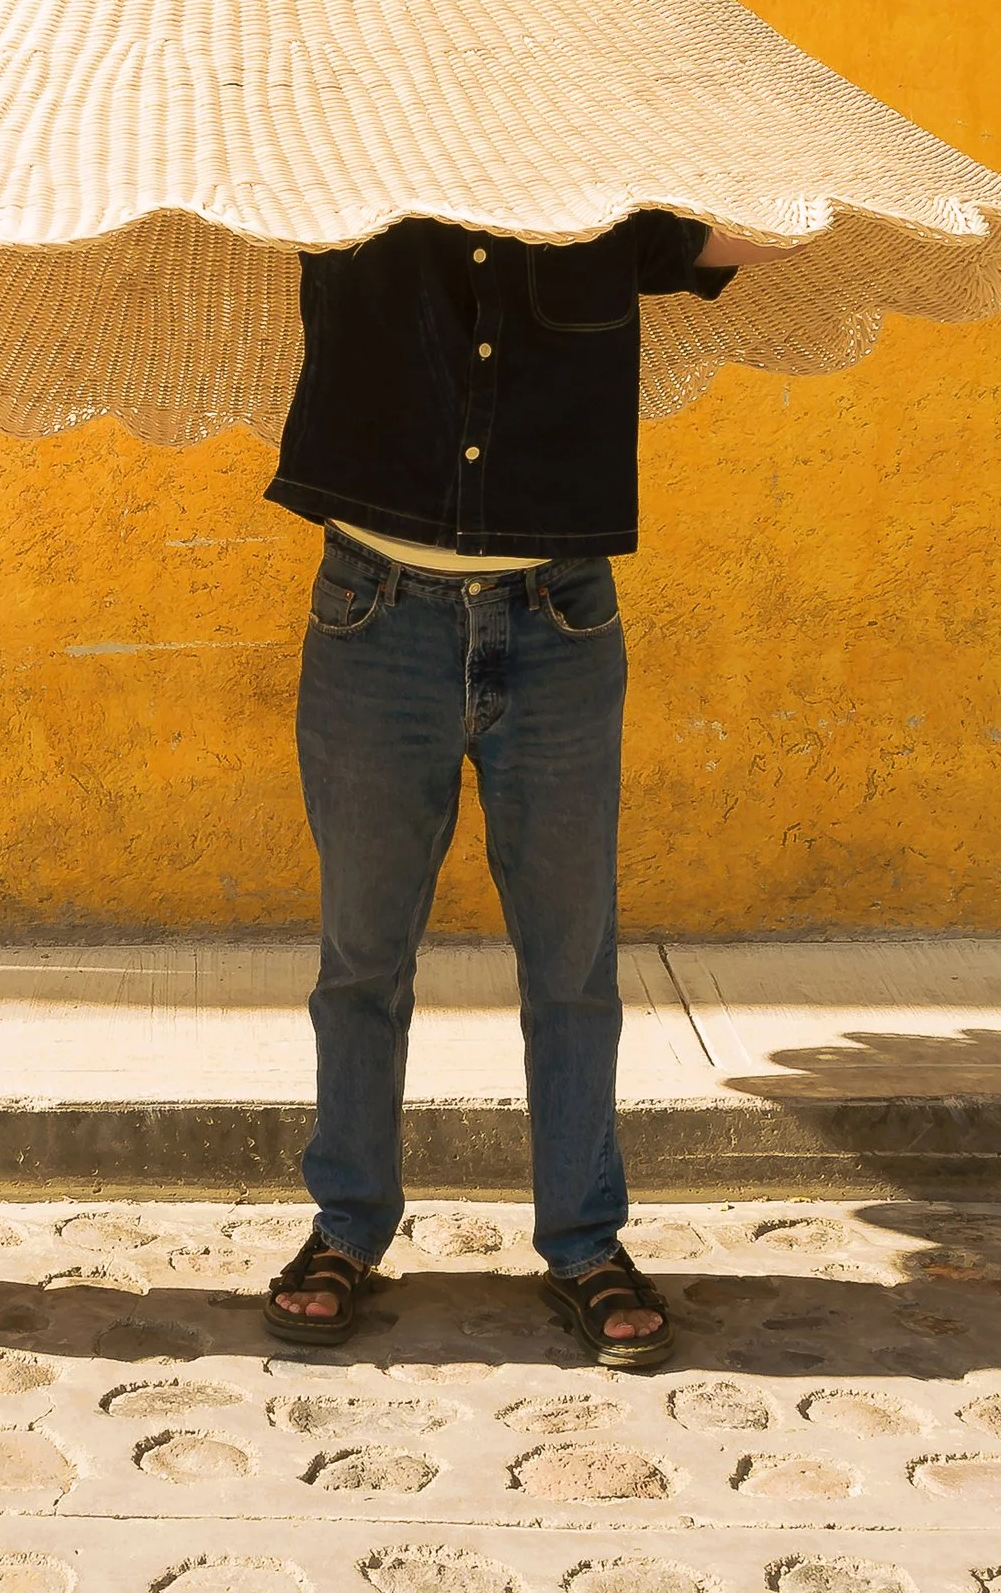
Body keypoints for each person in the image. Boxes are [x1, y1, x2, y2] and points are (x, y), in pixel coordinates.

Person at [259, 211, 761, 1364]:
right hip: (376, 618)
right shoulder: (340, 182)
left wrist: (762, 138)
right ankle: (346, 1228)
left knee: (571, 964)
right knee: (362, 959)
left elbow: (748, 236)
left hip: (559, 621)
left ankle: (584, 1243)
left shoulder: (606, 204)